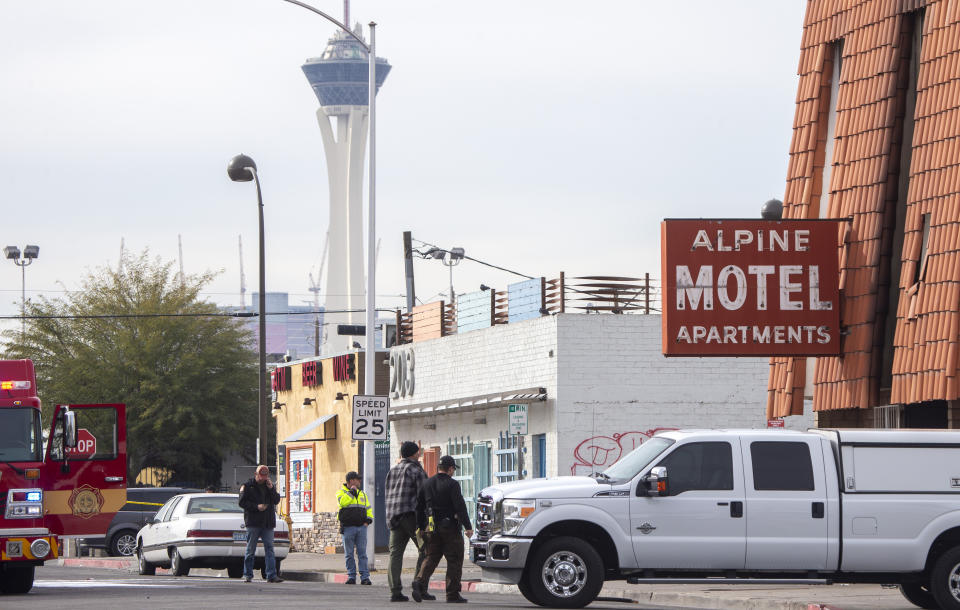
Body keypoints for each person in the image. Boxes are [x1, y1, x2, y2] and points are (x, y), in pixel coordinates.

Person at [411, 456, 473, 604]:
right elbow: (460, 507)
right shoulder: (452, 485)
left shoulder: (427, 483)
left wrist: (419, 527)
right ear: (450, 468)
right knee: (454, 559)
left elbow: (418, 508)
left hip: (430, 528)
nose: (453, 472)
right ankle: (452, 594)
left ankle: (419, 582)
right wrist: (468, 527)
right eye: (453, 469)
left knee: (431, 557)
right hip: (449, 528)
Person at [384, 440, 432, 602]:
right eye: (418, 452)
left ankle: (395, 591)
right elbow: (424, 496)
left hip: (394, 518)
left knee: (395, 554)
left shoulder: (393, 470)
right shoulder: (416, 470)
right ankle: (419, 584)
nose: (419, 454)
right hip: (411, 516)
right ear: (413, 454)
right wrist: (426, 520)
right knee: (425, 549)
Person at [238, 465, 283, 583]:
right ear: (255, 474)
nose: (263, 478)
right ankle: (247, 574)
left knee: (269, 549)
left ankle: (271, 575)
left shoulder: (269, 486)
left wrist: (271, 488)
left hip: (267, 523)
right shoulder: (247, 486)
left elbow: (276, 500)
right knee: (250, 549)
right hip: (253, 522)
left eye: (265, 476)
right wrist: (256, 507)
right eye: (261, 476)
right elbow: (242, 502)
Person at [337, 471, 373, 585]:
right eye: (358, 479)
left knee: (362, 554)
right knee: (349, 554)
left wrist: (368, 520)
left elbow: (368, 509)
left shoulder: (362, 494)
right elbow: (343, 503)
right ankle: (351, 576)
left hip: (361, 528)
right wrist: (351, 492)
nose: (360, 481)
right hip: (348, 528)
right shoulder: (341, 493)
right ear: (351, 481)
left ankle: (365, 578)